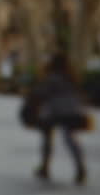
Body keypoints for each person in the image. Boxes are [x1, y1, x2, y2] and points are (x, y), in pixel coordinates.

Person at [30, 53, 88, 184]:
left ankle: (45, 166)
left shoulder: (52, 77)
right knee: (70, 138)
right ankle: (80, 167)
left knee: (47, 137)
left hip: (54, 112)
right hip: (72, 111)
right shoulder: (71, 77)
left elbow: (41, 93)